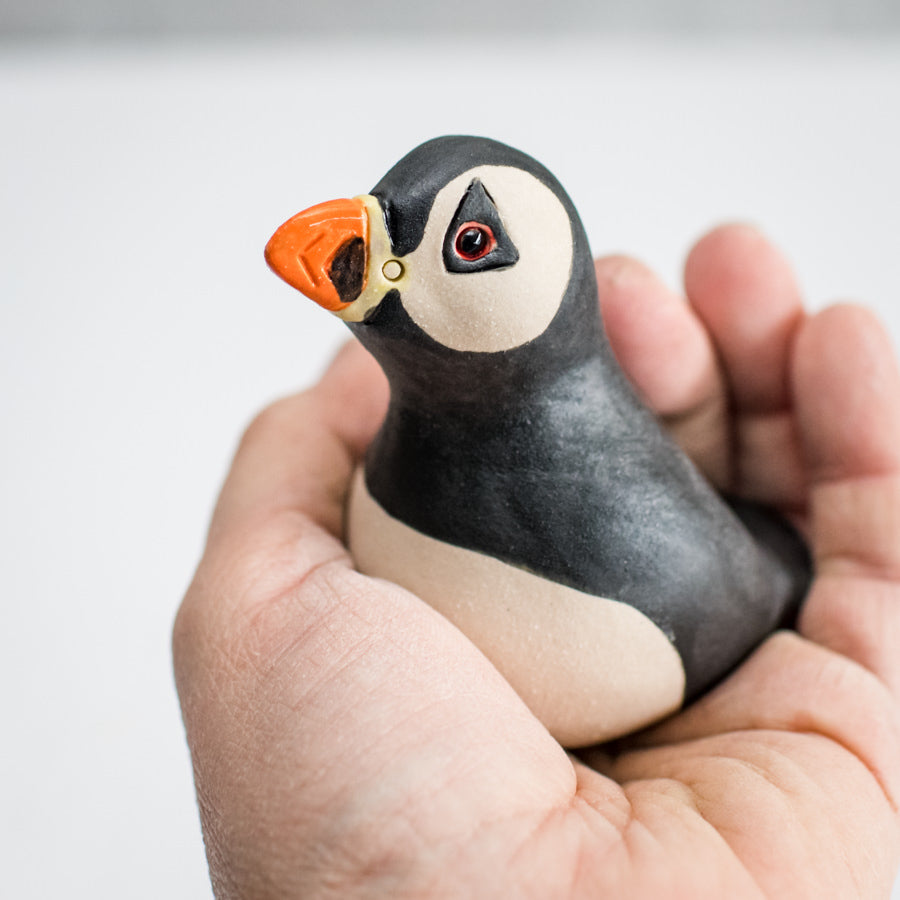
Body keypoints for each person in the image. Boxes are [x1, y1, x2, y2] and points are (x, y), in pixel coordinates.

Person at [173, 225, 900, 898]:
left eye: (470, 241)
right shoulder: (393, 462)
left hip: (699, 617)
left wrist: (782, 575)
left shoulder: (585, 493)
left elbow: (702, 575)